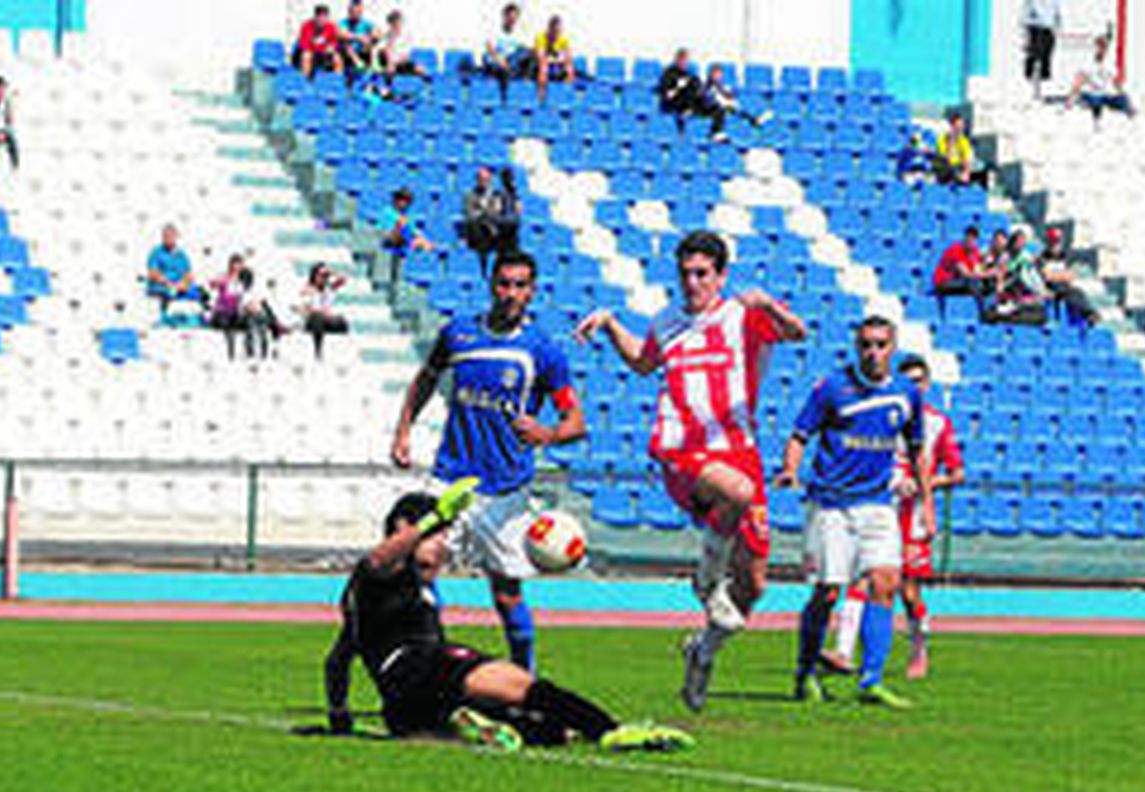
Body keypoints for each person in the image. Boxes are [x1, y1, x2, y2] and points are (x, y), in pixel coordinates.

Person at [573, 231, 808, 712]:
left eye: (702, 273)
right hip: (681, 448)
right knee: (737, 493)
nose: (692, 282)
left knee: (755, 585)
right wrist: (612, 324)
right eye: (685, 273)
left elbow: (797, 333)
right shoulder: (667, 321)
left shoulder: (742, 316)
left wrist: (770, 303)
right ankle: (704, 580)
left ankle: (702, 650)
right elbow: (642, 362)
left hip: (738, 448)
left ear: (721, 275)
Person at [318, 485, 694, 752]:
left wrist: (339, 715)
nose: (444, 545)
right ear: (404, 530)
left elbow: (337, 661)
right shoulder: (383, 573)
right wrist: (435, 518)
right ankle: (614, 731)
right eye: (437, 536)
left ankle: (457, 725)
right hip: (421, 664)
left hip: (400, 708)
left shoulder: (365, 598)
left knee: (551, 731)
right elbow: (378, 560)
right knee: (520, 685)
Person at [390, 252, 588, 673]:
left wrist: (548, 434)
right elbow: (426, 377)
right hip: (450, 478)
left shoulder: (543, 351)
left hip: (505, 489)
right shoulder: (458, 334)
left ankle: (524, 679)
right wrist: (403, 431)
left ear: (533, 291)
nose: (511, 294)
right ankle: (432, 665)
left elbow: (576, 422)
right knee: (422, 563)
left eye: (520, 285)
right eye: (504, 284)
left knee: (506, 594)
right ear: (491, 284)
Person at [775, 316, 930, 708]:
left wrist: (926, 503)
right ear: (856, 347)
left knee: (886, 582)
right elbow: (800, 434)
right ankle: (805, 672)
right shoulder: (832, 387)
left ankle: (870, 682)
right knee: (828, 592)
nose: (873, 352)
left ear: (892, 348)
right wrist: (790, 469)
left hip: (877, 503)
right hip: (831, 502)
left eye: (880, 345)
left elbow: (916, 450)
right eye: (866, 344)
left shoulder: (906, 393)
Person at [826, 353, 963, 680]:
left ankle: (919, 647)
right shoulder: (882, 413)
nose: (914, 386)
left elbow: (957, 473)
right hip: (878, 508)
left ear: (927, 384)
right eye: (908, 381)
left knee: (909, 592)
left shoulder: (937, 424)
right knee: (861, 579)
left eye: (919, 381)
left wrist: (924, 485)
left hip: (912, 517)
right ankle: (843, 651)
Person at [462, 166, 519, 276]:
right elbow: (471, 215)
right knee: (477, 226)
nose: (484, 182)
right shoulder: (470, 196)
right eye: (481, 179)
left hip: (497, 229)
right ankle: (483, 268)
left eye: (486, 179)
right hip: (481, 231)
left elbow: (504, 212)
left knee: (510, 227)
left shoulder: (498, 195)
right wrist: (487, 215)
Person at [1038, 227, 1099, 325]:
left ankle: (1089, 314)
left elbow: (1071, 276)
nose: (1055, 245)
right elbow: (1047, 277)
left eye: (1057, 242)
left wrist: (1057, 276)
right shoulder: (1042, 258)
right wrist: (1061, 276)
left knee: (1078, 292)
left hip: (1065, 289)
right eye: (1053, 242)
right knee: (1069, 293)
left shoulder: (1065, 257)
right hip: (1050, 290)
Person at [378, 187, 433, 286]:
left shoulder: (408, 215)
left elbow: (414, 231)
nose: (404, 203)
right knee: (402, 226)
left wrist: (423, 240)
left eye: (407, 201)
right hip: (388, 241)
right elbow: (383, 231)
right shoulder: (387, 212)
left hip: (402, 245)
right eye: (402, 199)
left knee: (424, 243)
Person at [1068, 36, 1133, 118]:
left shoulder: (1109, 64)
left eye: (1104, 48)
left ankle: (1130, 117)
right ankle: (1095, 117)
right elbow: (1078, 82)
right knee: (1095, 101)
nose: (1102, 50)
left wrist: (1125, 97)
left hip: (1104, 94)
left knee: (1122, 100)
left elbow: (1116, 83)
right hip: (1091, 93)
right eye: (1100, 47)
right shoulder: (1088, 63)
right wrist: (1070, 98)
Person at [145, 224, 200, 316]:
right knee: (171, 292)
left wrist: (183, 284)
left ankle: (187, 319)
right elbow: (153, 273)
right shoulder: (157, 252)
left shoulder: (181, 254)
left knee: (195, 292)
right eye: (165, 236)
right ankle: (164, 317)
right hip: (162, 285)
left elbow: (189, 273)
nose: (168, 238)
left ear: (176, 237)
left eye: (171, 236)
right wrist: (169, 284)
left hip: (178, 285)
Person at [299, 262, 349, 360]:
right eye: (321, 276)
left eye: (325, 276)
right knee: (318, 317)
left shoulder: (328, 289)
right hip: (311, 320)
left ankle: (340, 351)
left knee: (342, 320)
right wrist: (320, 312)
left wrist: (331, 272)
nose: (323, 278)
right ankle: (318, 350)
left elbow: (344, 279)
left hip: (326, 319)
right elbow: (304, 309)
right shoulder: (308, 289)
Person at [208, 254, 253, 360]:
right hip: (222, 312)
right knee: (229, 328)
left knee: (250, 323)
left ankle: (250, 354)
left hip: (236, 312)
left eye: (240, 265)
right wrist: (220, 281)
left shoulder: (244, 279)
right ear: (231, 265)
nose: (237, 267)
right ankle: (230, 356)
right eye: (235, 264)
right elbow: (212, 284)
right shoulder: (224, 276)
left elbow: (246, 295)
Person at [481, 2, 531, 92]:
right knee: (488, 58)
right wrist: (499, 59)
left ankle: (523, 84)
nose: (512, 20)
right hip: (498, 60)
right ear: (504, 16)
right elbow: (490, 47)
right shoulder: (495, 31)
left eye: (514, 18)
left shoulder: (520, 33)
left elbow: (523, 50)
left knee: (526, 54)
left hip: (511, 61)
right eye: (510, 17)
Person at [933, 113, 989, 187]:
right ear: (951, 126)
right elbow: (946, 158)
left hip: (959, 168)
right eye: (957, 126)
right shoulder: (942, 140)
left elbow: (966, 159)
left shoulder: (963, 141)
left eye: (961, 126)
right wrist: (951, 140)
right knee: (943, 166)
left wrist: (966, 173)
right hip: (947, 168)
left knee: (983, 171)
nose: (960, 128)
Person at [931, 226, 988, 297]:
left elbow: (977, 269)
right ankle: (983, 306)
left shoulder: (975, 251)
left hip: (960, 282)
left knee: (984, 285)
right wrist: (989, 274)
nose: (971, 241)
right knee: (972, 284)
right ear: (964, 238)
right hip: (943, 282)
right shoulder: (956, 250)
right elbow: (965, 274)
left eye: (973, 238)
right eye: (969, 237)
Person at [657, 49, 705, 132]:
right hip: (672, 105)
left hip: (687, 104)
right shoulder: (668, 73)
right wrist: (678, 87)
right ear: (676, 60)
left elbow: (698, 88)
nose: (683, 63)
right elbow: (667, 93)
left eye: (685, 61)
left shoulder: (691, 74)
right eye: (681, 60)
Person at [1022, 0, 1061, 99]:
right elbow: (1026, 11)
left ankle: (1043, 85)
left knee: (1046, 56)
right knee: (1035, 56)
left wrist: (1058, 26)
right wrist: (1025, 31)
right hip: (1035, 26)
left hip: (1048, 27)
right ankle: (1031, 83)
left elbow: (1057, 12)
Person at [293, 4, 345, 77]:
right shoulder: (306, 26)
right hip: (311, 53)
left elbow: (335, 43)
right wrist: (314, 48)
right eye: (319, 17)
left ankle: (336, 80)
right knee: (306, 56)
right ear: (315, 17)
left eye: (324, 17)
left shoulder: (331, 27)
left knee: (337, 58)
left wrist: (332, 48)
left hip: (325, 54)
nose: (321, 20)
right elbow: (303, 44)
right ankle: (305, 79)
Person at [532, 14, 576, 98]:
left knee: (569, 67)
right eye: (554, 31)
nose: (556, 34)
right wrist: (557, 58)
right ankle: (541, 94)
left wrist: (557, 59)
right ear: (549, 29)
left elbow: (568, 57)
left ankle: (568, 93)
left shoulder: (563, 40)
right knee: (543, 66)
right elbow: (540, 56)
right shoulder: (541, 37)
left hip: (556, 64)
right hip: (538, 65)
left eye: (558, 31)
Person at [375, 10, 426, 81]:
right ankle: (387, 88)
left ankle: (427, 87)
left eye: (396, 22)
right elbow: (385, 51)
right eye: (392, 24)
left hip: (403, 61)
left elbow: (406, 54)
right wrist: (391, 62)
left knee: (420, 69)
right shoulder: (388, 36)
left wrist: (399, 60)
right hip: (391, 62)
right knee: (390, 69)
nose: (394, 26)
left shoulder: (407, 35)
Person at [338, 0, 376, 73]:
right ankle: (358, 63)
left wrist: (369, 37)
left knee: (373, 44)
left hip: (362, 49)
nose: (354, 14)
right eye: (352, 12)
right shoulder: (344, 22)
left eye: (357, 12)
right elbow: (341, 34)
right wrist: (358, 37)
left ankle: (373, 67)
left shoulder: (366, 22)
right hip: (348, 52)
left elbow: (377, 32)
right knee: (345, 43)